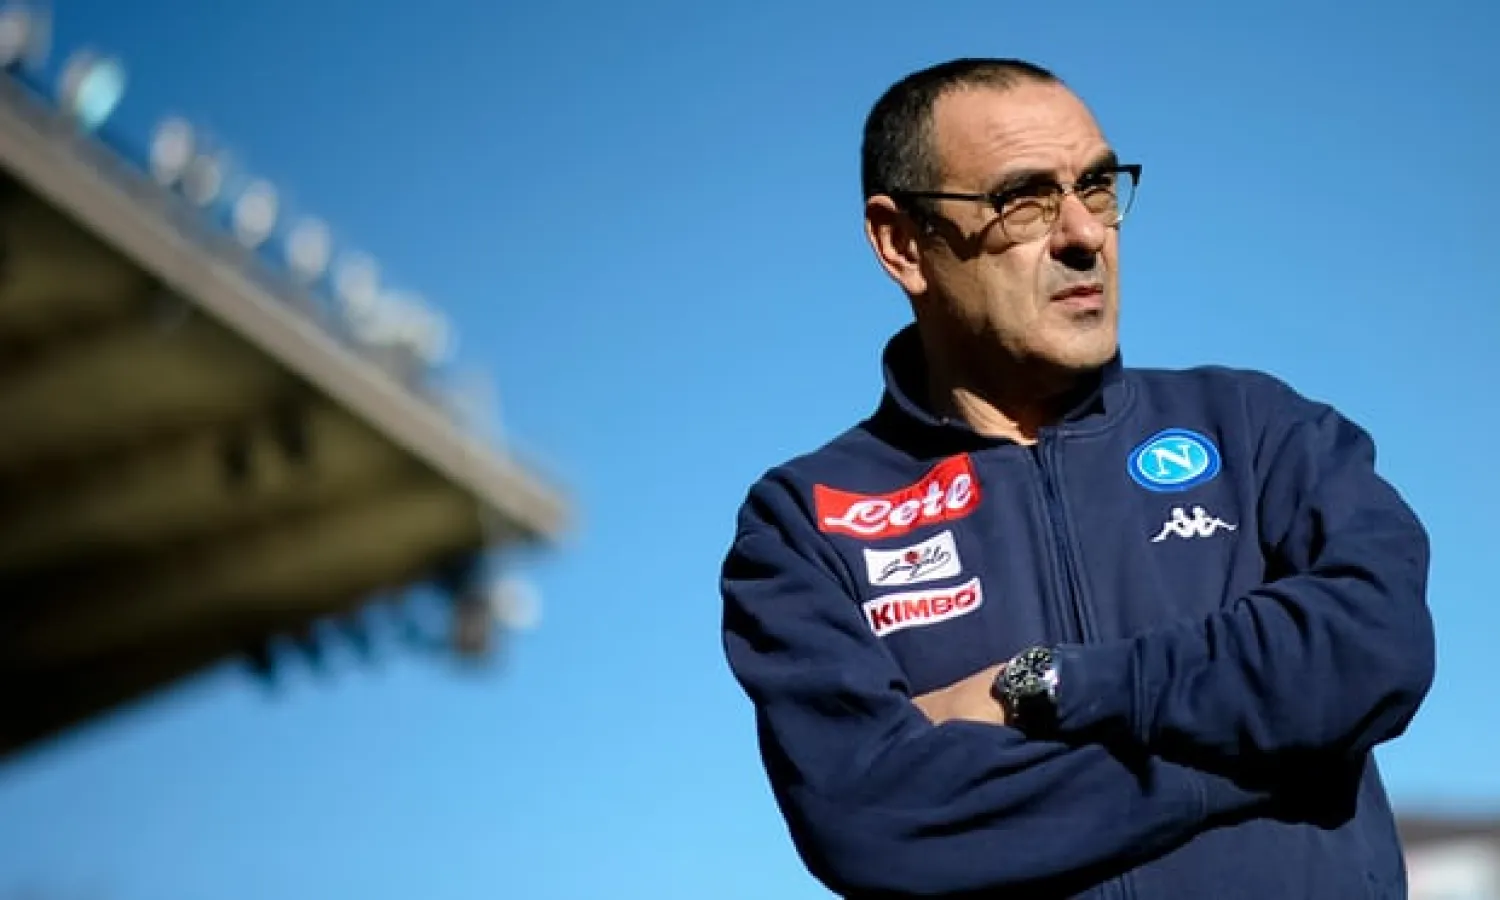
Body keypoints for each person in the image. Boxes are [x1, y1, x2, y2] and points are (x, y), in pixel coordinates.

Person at [718, 57, 1435, 899]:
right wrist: (1276, 756)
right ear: (902, 243)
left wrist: (1050, 685)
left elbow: (1371, 654)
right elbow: (877, 819)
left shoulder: (1257, 428)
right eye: (1023, 198)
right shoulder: (806, 521)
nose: (1084, 234)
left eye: (1097, 188)